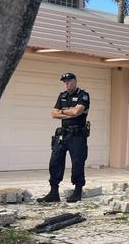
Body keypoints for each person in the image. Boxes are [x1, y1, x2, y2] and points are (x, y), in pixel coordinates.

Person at [37, 73, 90, 203]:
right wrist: (68, 113)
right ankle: (54, 193)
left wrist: (63, 111)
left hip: (78, 135)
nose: (66, 84)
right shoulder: (62, 96)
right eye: (65, 82)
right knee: (55, 161)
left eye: (68, 81)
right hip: (63, 134)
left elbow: (77, 112)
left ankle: (77, 192)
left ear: (75, 81)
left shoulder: (83, 95)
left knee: (78, 162)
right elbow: (53, 114)